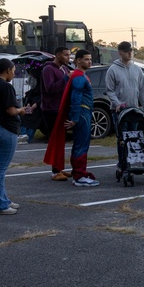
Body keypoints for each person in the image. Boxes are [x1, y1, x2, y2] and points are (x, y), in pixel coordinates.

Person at [0, 58, 35, 214]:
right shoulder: (6, 87)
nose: (13, 74)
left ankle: (2, 199)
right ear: (7, 71)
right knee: (0, 168)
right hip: (6, 128)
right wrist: (22, 110)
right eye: (13, 71)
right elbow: (11, 111)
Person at [44, 49, 99, 187]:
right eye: (86, 59)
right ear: (78, 60)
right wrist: (74, 118)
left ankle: (79, 172)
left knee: (82, 144)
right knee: (81, 145)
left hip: (84, 113)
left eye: (90, 59)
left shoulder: (81, 75)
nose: (89, 61)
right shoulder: (79, 76)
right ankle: (79, 175)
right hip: (81, 114)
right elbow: (76, 98)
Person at [106, 40, 144, 170]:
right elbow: (110, 90)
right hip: (119, 111)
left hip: (134, 110)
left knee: (135, 137)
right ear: (120, 53)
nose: (130, 53)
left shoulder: (137, 69)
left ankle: (133, 162)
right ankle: (123, 163)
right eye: (126, 51)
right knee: (122, 138)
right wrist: (117, 103)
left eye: (131, 51)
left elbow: (142, 89)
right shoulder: (112, 70)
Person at [41, 47, 72, 180]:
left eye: (69, 55)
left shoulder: (65, 69)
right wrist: (65, 78)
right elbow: (50, 88)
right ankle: (55, 171)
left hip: (62, 107)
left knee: (61, 140)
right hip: (51, 109)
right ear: (58, 55)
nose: (68, 58)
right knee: (54, 140)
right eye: (65, 55)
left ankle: (60, 167)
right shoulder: (48, 69)